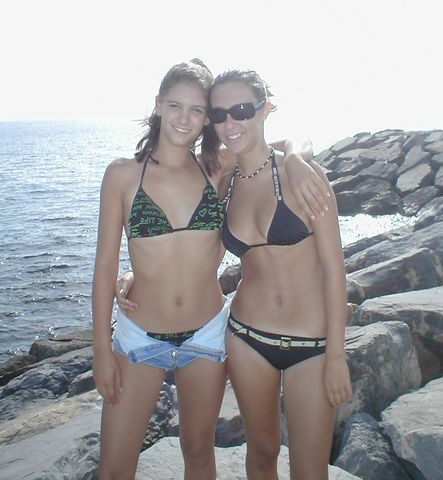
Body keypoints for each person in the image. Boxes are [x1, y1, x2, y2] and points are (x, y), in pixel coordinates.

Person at [92, 59, 330, 480]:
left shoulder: (217, 168)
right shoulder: (122, 175)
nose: (184, 118)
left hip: (206, 335)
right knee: (113, 470)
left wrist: (295, 158)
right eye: (175, 106)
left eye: (197, 110)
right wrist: (100, 351)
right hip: (139, 336)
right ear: (158, 105)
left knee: (200, 455)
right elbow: (105, 265)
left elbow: (283, 144)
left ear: (206, 119)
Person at [208, 70, 353, 480]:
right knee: (261, 454)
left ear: (265, 109)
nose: (230, 123)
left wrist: (337, 356)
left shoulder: (301, 175)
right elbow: (192, 249)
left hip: (313, 345)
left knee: (310, 470)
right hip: (246, 338)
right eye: (219, 114)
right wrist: (133, 276)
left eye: (241, 110)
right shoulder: (224, 182)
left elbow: (334, 270)